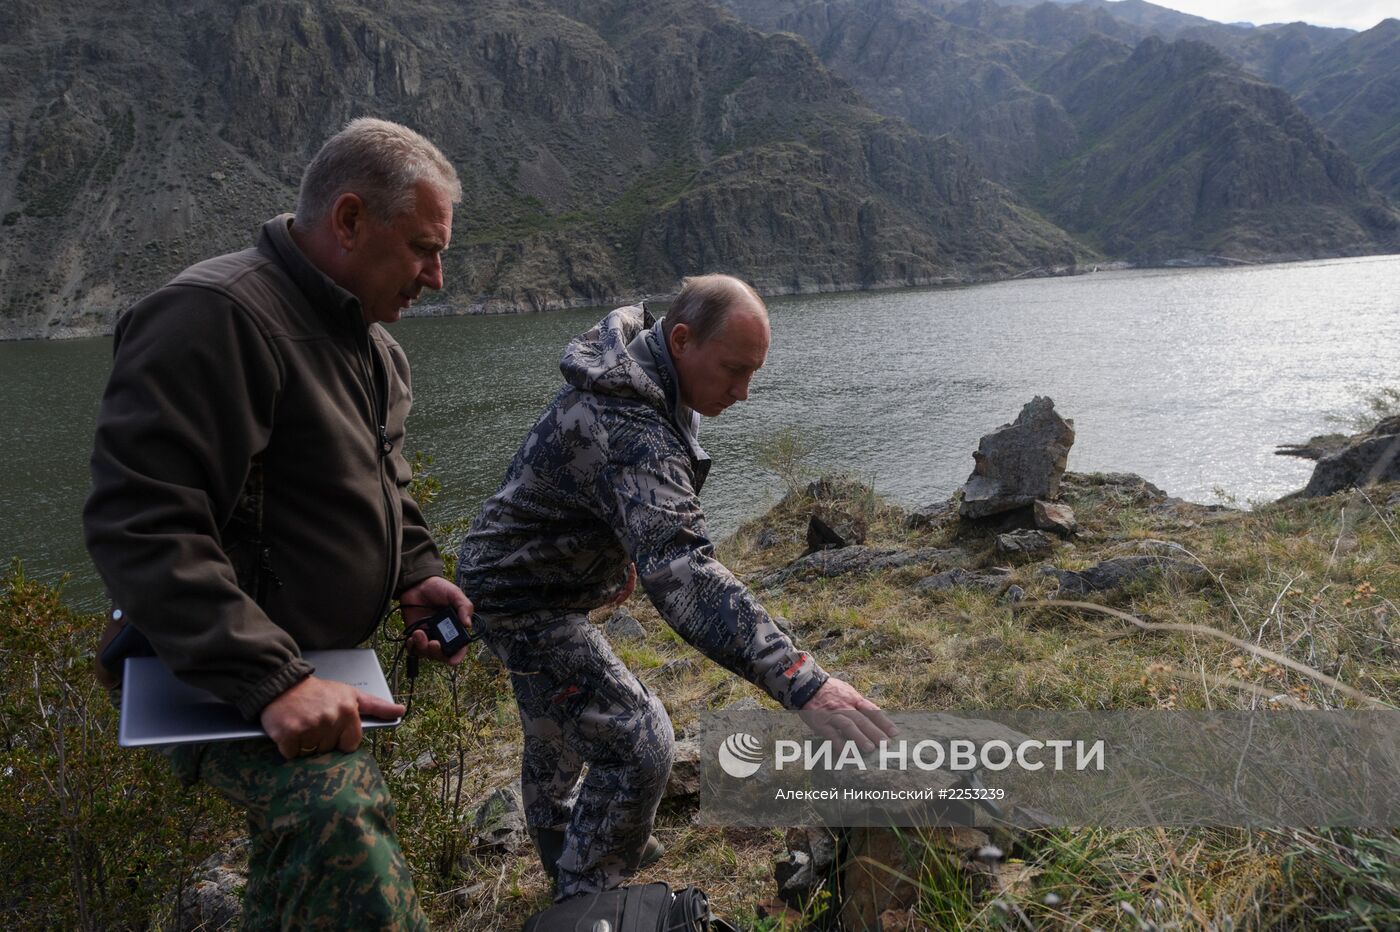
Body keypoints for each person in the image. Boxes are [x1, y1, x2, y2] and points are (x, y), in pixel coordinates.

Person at [83, 117, 473, 929]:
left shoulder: (373, 347)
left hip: (314, 671)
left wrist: (413, 571)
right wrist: (274, 680)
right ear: (350, 220)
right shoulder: (212, 317)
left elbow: (383, 480)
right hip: (208, 674)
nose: (436, 276)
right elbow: (142, 522)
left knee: (300, 879)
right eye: (422, 249)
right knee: (339, 823)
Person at [457, 274, 895, 900]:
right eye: (733, 371)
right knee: (639, 738)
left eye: (753, 374)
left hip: (525, 575)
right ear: (683, 339)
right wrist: (803, 681)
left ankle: (577, 838)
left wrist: (619, 549)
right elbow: (686, 572)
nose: (742, 393)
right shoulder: (629, 419)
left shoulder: (650, 374)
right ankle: (589, 898)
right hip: (520, 598)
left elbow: (604, 498)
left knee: (555, 719)